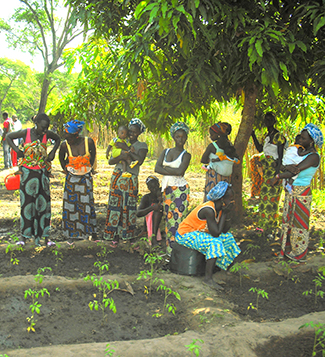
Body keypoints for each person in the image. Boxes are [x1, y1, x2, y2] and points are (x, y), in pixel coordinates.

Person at [270, 123, 323, 262]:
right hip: (291, 192)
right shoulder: (299, 152)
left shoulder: (314, 157)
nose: (300, 140)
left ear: (311, 141)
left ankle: (299, 254)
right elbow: (286, 168)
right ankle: (287, 250)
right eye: (300, 138)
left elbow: (295, 170)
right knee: (288, 221)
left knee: (300, 225)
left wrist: (277, 176)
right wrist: (286, 168)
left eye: (303, 139)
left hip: (302, 194)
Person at [6, 113, 60, 246]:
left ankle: (46, 237)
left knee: (44, 206)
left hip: (42, 174)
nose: (45, 130)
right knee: (27, 205)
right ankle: (24, 237)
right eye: (42, 127)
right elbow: (8, 136)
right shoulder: (26, 133)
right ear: (36, 124)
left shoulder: (47, 135)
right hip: (27, 174)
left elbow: (58, 139)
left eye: (46, 128)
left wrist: (52, 152)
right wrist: (16, 150)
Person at [175, 181, 241, 289]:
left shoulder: (220, 209)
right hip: (185, 234)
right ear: (222, 199)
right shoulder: (209, 210)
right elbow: (215, 233)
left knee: (228, 237)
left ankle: (226, 266)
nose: (232, 201)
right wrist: (224, 214)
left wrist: (227, 214)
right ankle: (208, 279)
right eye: (230, 198)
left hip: (199, 233)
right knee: (214, 243)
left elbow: (224, 230)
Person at [104, 118, 148, 246]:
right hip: (118, 176)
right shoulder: (120, 140)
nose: (131, 134)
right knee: (115, 206)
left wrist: (127, 148)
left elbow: (139, 161)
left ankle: (128, 234)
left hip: (131, 178)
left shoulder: (142, 146)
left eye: (135, 132)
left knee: (129, 206)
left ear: (139, 133)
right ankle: (114, 235)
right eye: (130, 131)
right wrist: (121, 156)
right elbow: (110, 161)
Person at [155, 122, 191, 254]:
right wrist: (172, 170)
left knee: (178, 220)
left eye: (183, 137)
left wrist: (165, 169)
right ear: (173, 137)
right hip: (167, 189)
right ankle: (170, 252)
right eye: (177, 136)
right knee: (169, 220)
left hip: (180, 190)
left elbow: (180, 172)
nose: (180, 139)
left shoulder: (186, 155)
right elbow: (156, 168)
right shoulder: (166, 152)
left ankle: (177, 253)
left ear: (186, 137)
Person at [59, 119, 97, 243]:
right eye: (66, 137)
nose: (67, 139)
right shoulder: (65, 145)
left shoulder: (88, 142)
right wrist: (66, 169)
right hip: (71, 179)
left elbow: (93, 154)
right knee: (71, 207)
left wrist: (88, 168)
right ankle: (72, 234)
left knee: (86, 205)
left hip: (85, 178)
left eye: (69, 137)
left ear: (76, 135)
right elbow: (61, 158)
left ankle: (89, 232)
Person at [251, 112, 286, 230]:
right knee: (265, 197)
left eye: (270, 119)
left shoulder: (278, 136)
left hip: (274, 170)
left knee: (272, 199)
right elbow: (260, 149)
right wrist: (253, 135)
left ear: (274, 121)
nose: (268, 122)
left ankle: (270, 226)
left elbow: (280, 157)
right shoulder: (267, 136)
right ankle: (263, 225)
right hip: (267, 170)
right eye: (266, 119)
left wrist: (277, 176)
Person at [201, 122, 239, 202]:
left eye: (212, 134)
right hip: (226, 179)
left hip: (214, 177)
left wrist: (210, 160)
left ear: (218, 134)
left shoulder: (212, 146)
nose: (211, 137)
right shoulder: (230, 145)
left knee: (211, 200)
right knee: (223, 200)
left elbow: (203, 160)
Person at [136, 175, 164, 246]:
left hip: (165, 219)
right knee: (156, 211)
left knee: (159, 209)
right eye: (151, 187)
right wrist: (151, 208)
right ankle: (153, 237)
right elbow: (138, 213)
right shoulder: (147, 197)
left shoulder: (164, 193)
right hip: (154, 220)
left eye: (155, 187)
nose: (154, 189)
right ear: (148, 188)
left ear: (158, 184)